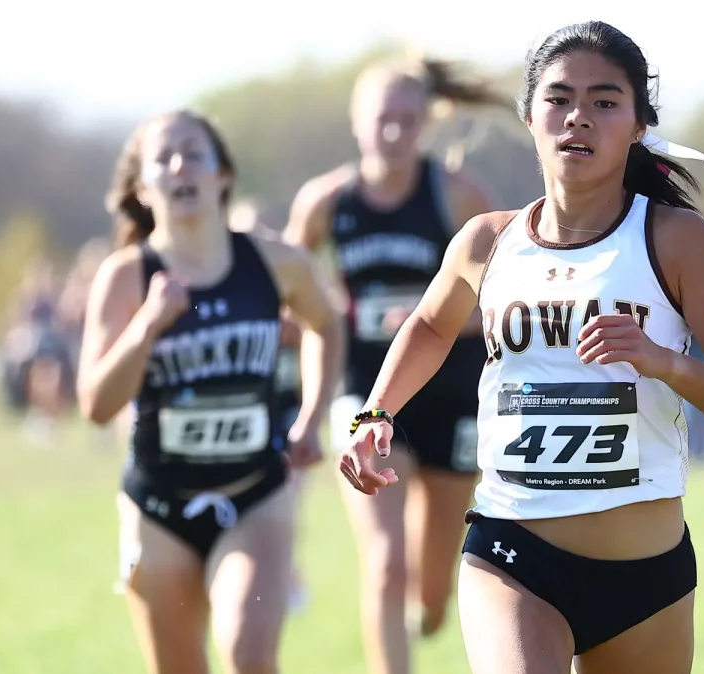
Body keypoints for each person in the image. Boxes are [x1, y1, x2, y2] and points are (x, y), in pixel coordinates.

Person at [340, 21, 704, 674]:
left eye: (605, 102)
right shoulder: (485, 242)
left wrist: (662, 362)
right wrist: (375, 413)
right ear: (529, 115)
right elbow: (431, 327)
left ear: (637, 125)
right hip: (513, 555)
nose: (579, 117)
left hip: (645, 579)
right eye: (559, 98)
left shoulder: (676, 240)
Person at [77, 109, 344, 674]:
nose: (181, 166)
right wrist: (147, 326)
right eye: (164, 158)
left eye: (194, 153)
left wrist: (312, 416)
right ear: (143, 189)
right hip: (158, 508)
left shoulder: (274, 262)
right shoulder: (125, 277)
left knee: (250, 653)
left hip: (255, 495)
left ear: (222, 175)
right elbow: (96, 406)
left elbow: (326, 324)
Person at [284, 55, 503, 673]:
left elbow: (508, 304)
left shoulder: (461, 195)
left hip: (453, 393)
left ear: (425, 125)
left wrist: (423, 318)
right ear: (358, 125)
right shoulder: (326, 203)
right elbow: (290, 294)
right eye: (382, 120)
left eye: (407, 121)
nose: (393, 134)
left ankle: (425, 614)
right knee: (383, 560)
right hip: (367, 394)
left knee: (432, 594)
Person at [229, 197, 311, 611]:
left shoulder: (292, 283)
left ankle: (284, 575)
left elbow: (317, 329)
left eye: (264, 230)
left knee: (286, 502)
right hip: (245, 419)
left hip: (289, 413)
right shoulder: (225, 289)